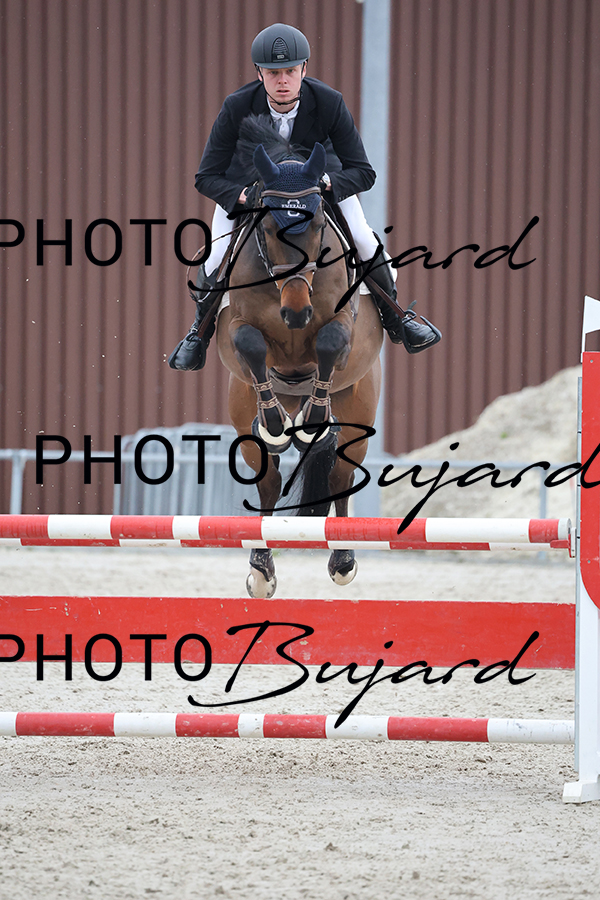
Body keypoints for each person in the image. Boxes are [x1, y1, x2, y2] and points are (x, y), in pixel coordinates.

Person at [169, 23, 440, 371]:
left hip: (318, 191)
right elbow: (206, 176)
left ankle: (398, 319)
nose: (283, 81)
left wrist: (326, 184)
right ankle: (198, 333)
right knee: (216, 255)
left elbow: (363, 172)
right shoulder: (237, 106)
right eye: (273, 73)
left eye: (290, 71)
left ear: (304, 70)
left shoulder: (328, 102)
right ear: (259, 73)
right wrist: (243, 196)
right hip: (255, 195)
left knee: (362, 238)